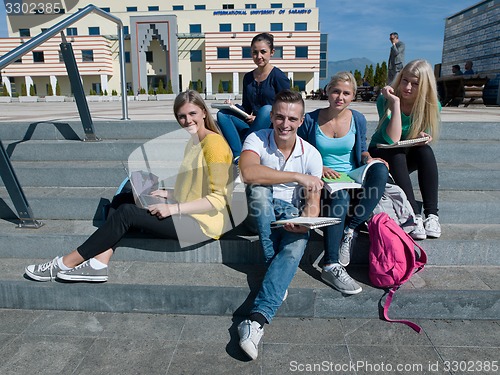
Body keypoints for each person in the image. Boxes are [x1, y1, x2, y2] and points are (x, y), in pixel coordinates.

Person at [25, 90, 233, 282]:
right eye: (181, 116)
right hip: (188, 212)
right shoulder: (194, 142)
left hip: (203, 225)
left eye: (192, 113)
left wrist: (172, 208)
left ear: (204, 112)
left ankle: (64, 262)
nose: (187, 120)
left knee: (126, 212)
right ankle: (99, 263)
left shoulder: (213, 145)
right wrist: (167, 193)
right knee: (123, 197)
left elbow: (218, 199)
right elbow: (195, 187)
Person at [237, 90, 323, 360]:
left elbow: (313, 204)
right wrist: (297, 176)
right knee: (261, 191)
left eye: (292, 119)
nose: (285, 124)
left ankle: (255, 321)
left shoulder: (312, 155)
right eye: (280, 117)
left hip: (288, 215)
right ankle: (276, 273)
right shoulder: (257, 139)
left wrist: (306, 223)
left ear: (301, 120)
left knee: (298, 241)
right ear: (272, 116)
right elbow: (249, 172)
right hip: (254, 214)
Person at [298, 72, 389, 295]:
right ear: (327, 91)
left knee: (380, 168)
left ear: (352, 96)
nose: (340, 97)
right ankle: (330, 264)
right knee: (340, 196)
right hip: (325, 179)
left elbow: (362, 149)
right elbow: (301, 150)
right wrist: (318, 168)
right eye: (336, 91)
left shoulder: (357, 118)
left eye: (346, 93)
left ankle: (351, 228)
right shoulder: (311, 119)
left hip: (352, 175)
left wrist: (369, 159)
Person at [368, 59, 441, 240]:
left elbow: (425, 134)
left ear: (424, 86)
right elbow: (392, 139)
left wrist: (425, 136)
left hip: (406, 154)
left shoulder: (431, 106)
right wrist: (395, 103)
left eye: (415, 84)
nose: (407, 87)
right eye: (405, 80)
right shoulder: (385, 101)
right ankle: (414, 215)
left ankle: (432, 215)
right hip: (382, 153)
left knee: (426, 152)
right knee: (397, 152)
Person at [217, 32, 290, 164]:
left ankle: (244, 145)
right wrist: (232, 106)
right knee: (222, 114)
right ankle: (239, 155)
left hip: (270, 124)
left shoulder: (278, 77)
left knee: (267, 110)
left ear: (272, 52)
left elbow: (288, 108)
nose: (259, 56)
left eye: (263, 52)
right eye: (254, 52)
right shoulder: (248, 77)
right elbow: (246, 107)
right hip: (251, 124)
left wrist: (262, 117)